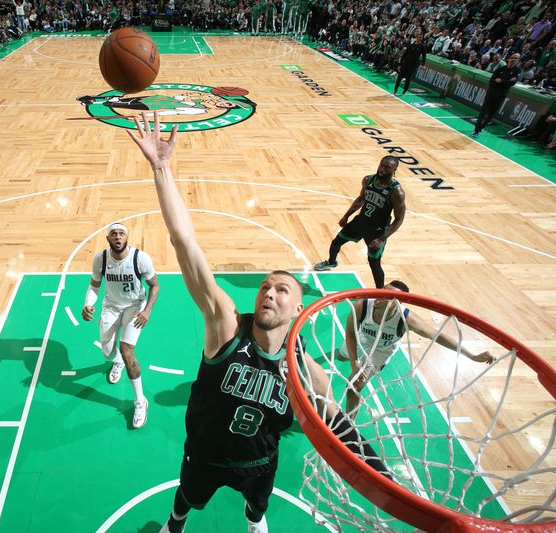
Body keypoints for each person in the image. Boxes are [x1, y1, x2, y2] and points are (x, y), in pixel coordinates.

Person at [126, 112, 386, 533]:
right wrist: (161, 168)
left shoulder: (306, 372)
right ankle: (175, 524)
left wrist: (383, 478)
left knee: (256, 507)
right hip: (204, 454)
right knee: (185, 500)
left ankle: (254, 521)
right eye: (266, 286)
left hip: (260, 462)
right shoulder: (226, 326)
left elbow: (338, 422)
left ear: (299, 310)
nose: (270, 292)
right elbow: (184, 241)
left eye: (283, 290)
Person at [337, 280, 495, 417]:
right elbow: (350, 333)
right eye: (382, 289)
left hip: (379, 353)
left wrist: (472, 356)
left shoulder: (406, 319)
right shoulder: (363, 305)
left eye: (387, 294)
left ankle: (348, 425)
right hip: (362, 340)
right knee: (340, 356)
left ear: (398, 302)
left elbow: (436, 335)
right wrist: (354, 362)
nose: (380, 294)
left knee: (353, 387)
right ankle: (348, 359)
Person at [82, 222, 160, 429]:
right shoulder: (101, 259)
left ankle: (140, 401)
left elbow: (155, 285)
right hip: (111, 307)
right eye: (114, 234)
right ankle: (116, 362)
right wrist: (88, 304)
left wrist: (147, 311)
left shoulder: (140, 258)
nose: (118, 237)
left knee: (127, 351)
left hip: (135, 307)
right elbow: (94, 285)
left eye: (121, 234)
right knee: (107, 351)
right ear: (108, 239)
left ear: (127, 238)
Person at [313, 156, 406, 288]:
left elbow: (399, 219)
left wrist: (381, 239)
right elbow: (361, 198)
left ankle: (380, 292)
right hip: (361, 221)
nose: (382, 169)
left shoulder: (397, 192)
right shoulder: (368, 180)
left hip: (377, 231)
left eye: (387, 167)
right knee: (336, 243)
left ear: (395, 169)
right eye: (381, 165)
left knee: (374, 263)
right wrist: (346, 215)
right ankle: (331, 262)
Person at [472, 53, 521, 137]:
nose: (513, 59)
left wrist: (501, 81)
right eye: (512, 57)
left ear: (518, 60)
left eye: (516, 58)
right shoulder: (500, 69)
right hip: (491, 93)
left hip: (500, 96)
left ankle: (481, 128)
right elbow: (492, 81)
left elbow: (512, 83)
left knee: (491, 115)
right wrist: (505, 82)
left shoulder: (517, 71)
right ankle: (476, 130)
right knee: (483, 113)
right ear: (508, 59)